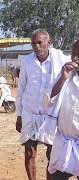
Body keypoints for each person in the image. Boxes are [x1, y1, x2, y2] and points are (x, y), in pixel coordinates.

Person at [15, 29, 69, 180]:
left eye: (40, 42)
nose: (37, 46)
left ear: (49, 43)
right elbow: (21, 90)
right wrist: (19, 116)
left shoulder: (60, 59)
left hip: (52, 115)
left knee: (52, 155)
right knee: (29, 152)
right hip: (30, 113)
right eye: (33, 43)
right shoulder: (27, 62)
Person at [46, 40, 79, 180]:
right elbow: (48, 101)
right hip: (63, 142)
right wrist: (62, 79)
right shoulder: (65, 75)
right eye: (73, 54)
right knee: (57, 176)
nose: (76, 58)